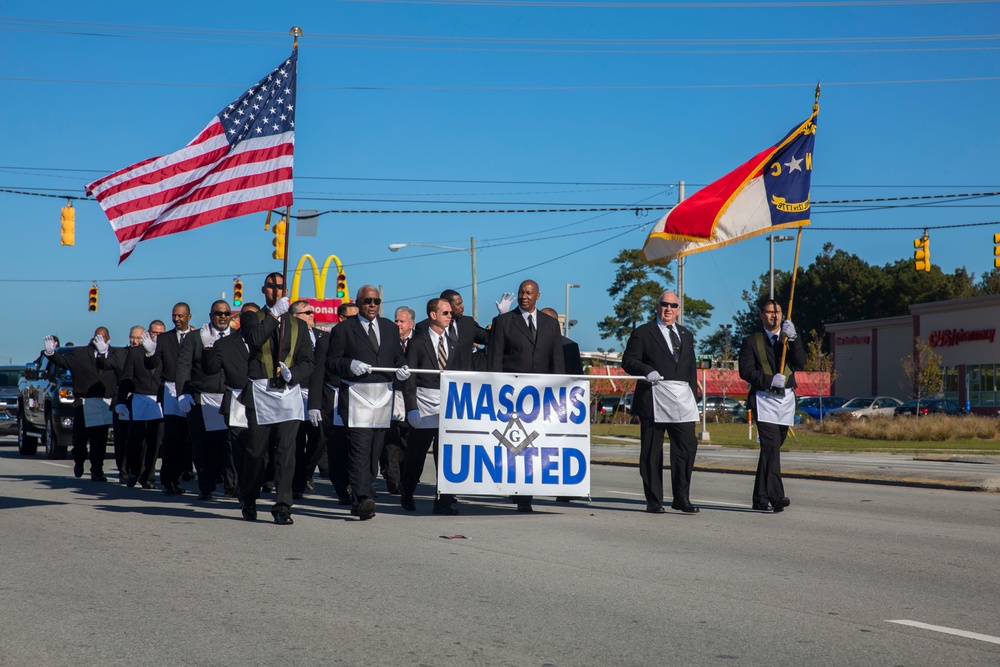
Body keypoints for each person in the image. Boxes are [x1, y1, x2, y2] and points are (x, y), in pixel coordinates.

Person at [326, 285, 409, 521]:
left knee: (374, 453)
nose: (372, 305)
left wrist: (401, 366)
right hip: (357, 396)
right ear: (358, 302)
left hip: (383, 396)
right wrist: (349, 364)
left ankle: (363, 491)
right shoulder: (344, 329)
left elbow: (396, 356)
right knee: (360, 451)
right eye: (367, 301)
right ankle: (362, 498)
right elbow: (332, 362)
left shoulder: (390, 329)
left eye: (376, 301)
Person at [239, 274, 314, 525]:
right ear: (264, 290)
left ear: (286, 290)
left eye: (280, 287)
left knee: (286, 452)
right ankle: (248, 498)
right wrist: (273, 316)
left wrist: (295, 375)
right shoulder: (252, 317)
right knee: (256, 452)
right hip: (261, 391)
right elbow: (254, 340)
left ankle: (283, 505)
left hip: (288, 393)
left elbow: (308, 361)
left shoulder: (299, 325)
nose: (275, 290)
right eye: (271, 286)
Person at [487, 279, 565, 512]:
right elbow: (495, 361)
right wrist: (496, 391)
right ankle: (520, 494)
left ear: (537, 296)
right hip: (511, 396)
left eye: (529, 293)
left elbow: (557, 362)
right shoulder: (503, 322)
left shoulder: (551, 325)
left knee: (534, 445)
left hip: (541, 397)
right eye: (521, 292)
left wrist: (558, 392)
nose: (524, 296)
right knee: (515, 444)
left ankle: (526, 492)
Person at [621, 291, 701, 514]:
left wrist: (694, 400)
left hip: (682, 402)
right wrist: (646, 370)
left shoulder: (686, 334)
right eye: (664, 304)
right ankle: (654, 499)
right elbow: (628, 361)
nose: (668, 309)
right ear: (657, 307)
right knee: (651, 452)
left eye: (673, 305)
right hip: (653, 400)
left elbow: (690, 370)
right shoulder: (643, 333)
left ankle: (681, 498)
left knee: (686, 449)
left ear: (678, 309)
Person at [738, 299, 807, 513]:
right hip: (764, 400)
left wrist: (794, 339)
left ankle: (760, 497)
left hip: (785, 400)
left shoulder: (788, 337)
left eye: (777, 312)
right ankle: (777, 496)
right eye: (769, 312)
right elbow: (746, 371)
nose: (774, 316)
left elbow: (801, 362)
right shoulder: (752, 341)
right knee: (770, 447)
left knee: (771, 450)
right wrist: (769, 380)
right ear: (761, 315)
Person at [400, 298, 461, 514]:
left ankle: (443, 501)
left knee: (445, 456)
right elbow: (410, 377)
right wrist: (411, 408)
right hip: (423, 405)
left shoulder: (454, 342)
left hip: (447, 406)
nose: (449, 316)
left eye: (450, 313)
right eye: (445, 313)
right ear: (433, 315)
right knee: (416, 455)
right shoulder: (418, 342)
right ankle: (407, 492)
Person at [176, 301, 233, 501]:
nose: (223, 317)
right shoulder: (194, 337)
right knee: (203, 446)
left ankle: (231, 486)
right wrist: (182, 393)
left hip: (228, 397)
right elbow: (183, 365)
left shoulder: (236, 337)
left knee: (230, 445)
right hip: (201, 397)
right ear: (211, 315)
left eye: (227, 313)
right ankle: (206, 486)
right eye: (219, 313)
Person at [202, 302, 260, 499]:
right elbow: (210, 369)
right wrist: (208, 347)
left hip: (262, 399)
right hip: (236, 397)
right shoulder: (225, 343)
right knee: (235, 446)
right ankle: (234, 485)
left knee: (259, 446)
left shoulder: (267, 340)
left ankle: (257, 482)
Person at [42, 328, 117, 481]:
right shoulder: (80, 353)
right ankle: (79, 461)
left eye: (103, 337)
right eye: (98, 337)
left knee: (99, 440)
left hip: (104, 402)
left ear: (108, 339)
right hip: (84, 401)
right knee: (80, 438)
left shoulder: (115, 354)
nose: (100, 340)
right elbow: (63, 362)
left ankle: (97, 471)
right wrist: (51, 353)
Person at [144, 302, 195, 495]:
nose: (176, 319)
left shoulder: (196, 336)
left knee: (186, 437)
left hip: (190, 389)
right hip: (171, 389)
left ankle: (178, 475)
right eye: (174, 315)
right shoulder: (165, 339)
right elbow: (152, 363)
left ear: (189, 317)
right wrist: (149, 351)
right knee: (171, 435)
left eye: (180, 316)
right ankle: (167, 479)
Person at [117, 321, 167, 489]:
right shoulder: (135, 352)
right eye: (154, 333)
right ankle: (133, 471)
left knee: (155, 441)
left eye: (161, 333)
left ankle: (148, 476)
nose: (157, 336)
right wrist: (121, 401)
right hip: (139, 398)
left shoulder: (166, 352)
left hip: (158, 400)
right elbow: (127, 377)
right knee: (136, 439)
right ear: (149, 333)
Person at [289, 299, 326, 499]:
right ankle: (296, 483)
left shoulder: (321, 336)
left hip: (315, 394)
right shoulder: (288, 336)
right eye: (307, 312)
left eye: (312, 312)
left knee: (319, 439)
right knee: (295, 440)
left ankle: (307, 472)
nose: (313, 315)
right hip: (295, 391)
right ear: (295, 317)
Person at [101, 325, 144, 483]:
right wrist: (101, 353)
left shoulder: (149, 354)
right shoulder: (120, 353)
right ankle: (124, 471)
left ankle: (139, 470)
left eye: (139, 338)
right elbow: (105, 364)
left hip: (141, 400)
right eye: (132, 337)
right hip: (121, 401)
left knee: (139, 439)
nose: (135, 341)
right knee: (121, 439)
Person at [381, 305, 416, 494]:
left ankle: (405, 478)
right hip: (391, 393)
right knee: (391, 440)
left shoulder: (419, 341)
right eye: (396, 320)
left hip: (411, 395)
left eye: (401, 321)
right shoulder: (388, 340)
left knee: (407, 440)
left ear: (411, 323)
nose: (397, 324)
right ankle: (392, 480)